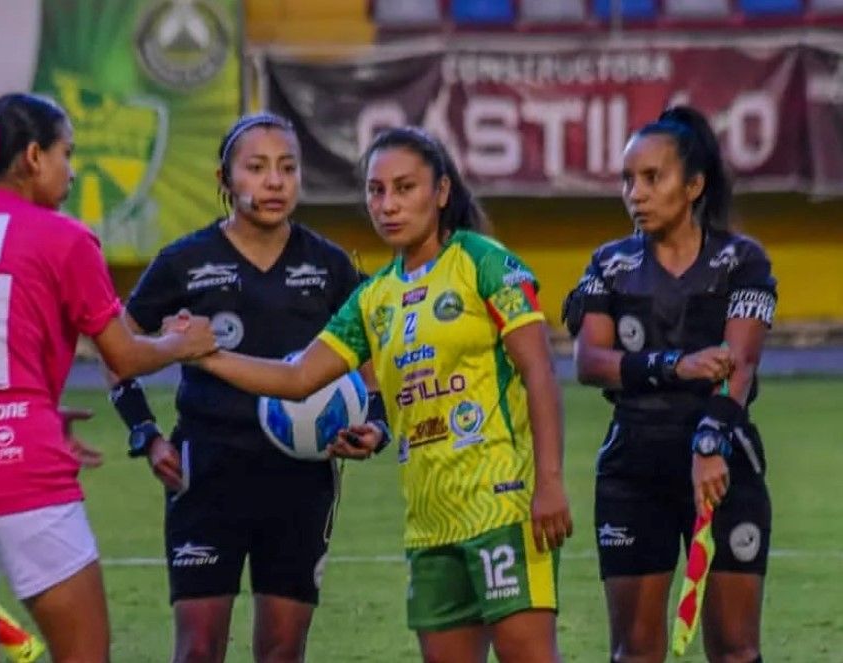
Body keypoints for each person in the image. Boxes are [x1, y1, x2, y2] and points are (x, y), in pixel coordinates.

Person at [184, 126, 573, 663]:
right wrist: (206, 355)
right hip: (429, 520)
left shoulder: (483, 262)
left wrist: (549, 483)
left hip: (503, 505)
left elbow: (539, 373)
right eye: (375, 190)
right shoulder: (374, 298)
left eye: (404, 188)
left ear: (440, 192)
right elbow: (298, 378)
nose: (387, 205)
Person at [0, 92, 217, 663]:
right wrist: (182, 343)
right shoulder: (62, 237)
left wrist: (34, 406)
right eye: (68, 153)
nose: (72, 170)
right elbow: (123, 356)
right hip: (20, 473)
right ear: (34, 157)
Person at [109, 112, 377, 663]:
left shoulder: (329, 266)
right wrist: (147, 435)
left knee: (282, 651)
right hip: (207, 473)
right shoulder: (183, 262)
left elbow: (372, 361)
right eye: (256, 168)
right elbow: (118, 353)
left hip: (302, 480)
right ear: (225, 179)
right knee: (199, 650)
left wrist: (375, 423)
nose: (274, 182)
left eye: (287, 168)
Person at [562, 106, 775, 663]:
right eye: (628, 179)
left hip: (726, 466)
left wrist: (710, 443)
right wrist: (673, 366)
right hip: (632, 472)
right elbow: (590, 361)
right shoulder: (609, 264)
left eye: (653, 178)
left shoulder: (740, 260)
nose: (636, 192)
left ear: (694, 185)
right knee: (634, 652)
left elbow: (740, 363)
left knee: (735, 649)